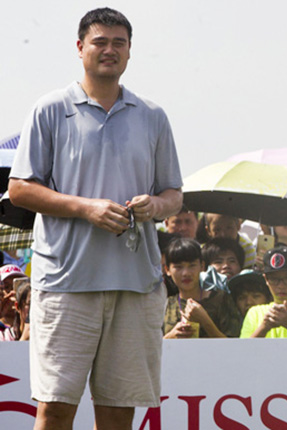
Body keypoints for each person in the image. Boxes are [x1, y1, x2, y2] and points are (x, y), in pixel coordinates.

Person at [8, 8, 183, 430]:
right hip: (65, 283)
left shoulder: (152, 115)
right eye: (100, 42)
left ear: (130, 51)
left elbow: (174, 195)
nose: (109, 50)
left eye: (119, 43)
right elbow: (20, 189)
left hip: (135, 284)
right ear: (80, 47)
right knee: (54, 409)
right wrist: (86, 208)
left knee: (119, 412)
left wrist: (155, 206)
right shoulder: (50, 109)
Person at [163, 238, 240, 339]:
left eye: (192, 266)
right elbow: (151, 345)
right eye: (178, 267)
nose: (186, 273)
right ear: (167, 270)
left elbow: (233, 346)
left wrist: (205, 321)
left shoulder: (221, 299)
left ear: (202, 266)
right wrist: (171, 336)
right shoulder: (165, 305)